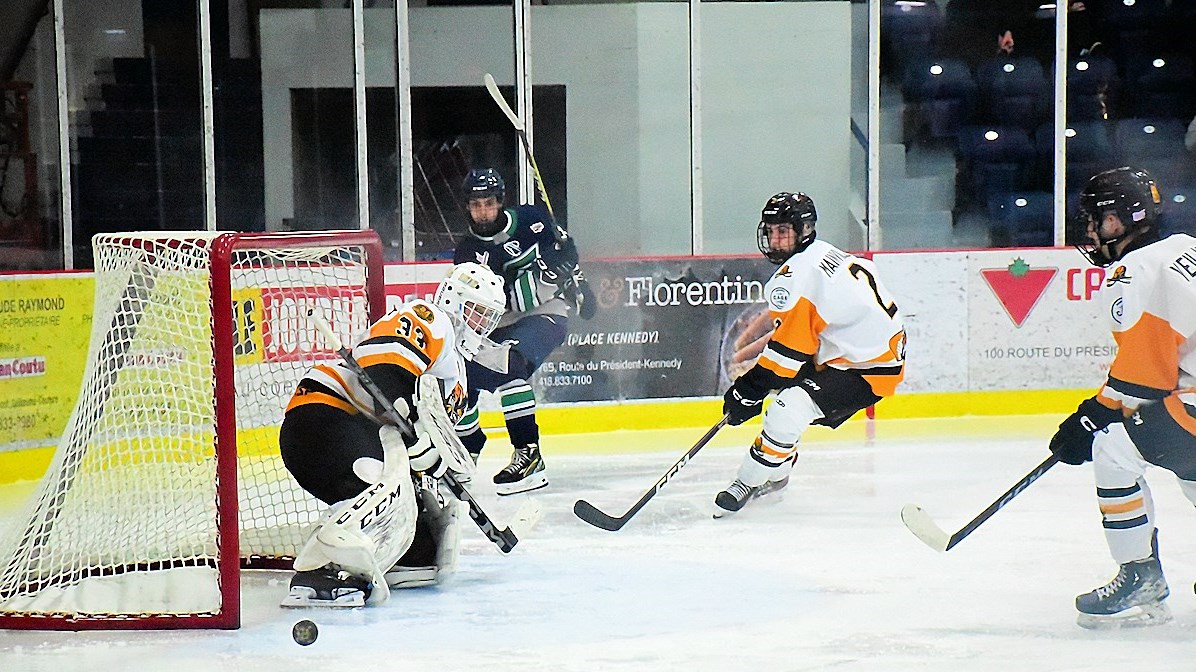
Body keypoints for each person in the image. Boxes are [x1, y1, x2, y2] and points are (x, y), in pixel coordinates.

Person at [278, 262, 506, 607]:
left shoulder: (457, 371)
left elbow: (432, 430)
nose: (479, 325)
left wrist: (434, 457)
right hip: (326, 419)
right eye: (475, 312)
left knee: (420, 553)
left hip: (358, 437)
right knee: (387, 481)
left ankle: (371, 557)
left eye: (487, 317)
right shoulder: (431, 317)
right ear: (453, 300)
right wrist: (413, 429)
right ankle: (323, 569)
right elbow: (382, 366)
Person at [1047, 166, 1196, 629]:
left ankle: (1140, 574)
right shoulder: (1187, 245)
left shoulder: (1134, 272)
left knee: (1113, 451)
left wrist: (1091, 418)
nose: (1090, 230)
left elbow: (1144, 379)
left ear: (1124, 220)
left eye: (1098, 219)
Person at [716, 192, 907, 515]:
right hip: (851, 352)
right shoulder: (821, 254)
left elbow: (785, 357)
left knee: (787, 409)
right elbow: (793, 348)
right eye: (771, 231)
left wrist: (746, 392)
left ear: (804, 230)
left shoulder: (797, 278)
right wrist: (753, 391)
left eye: (783, 232)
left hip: (868, 369)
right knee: (782, 397)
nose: (775, 241)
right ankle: (778, 472)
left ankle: (748, 481)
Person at [452, 167, 595, 495]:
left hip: (547, 314)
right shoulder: (467, 253)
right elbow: (505, 300)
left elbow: (565, 255)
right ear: (467, 207)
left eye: (489, 203)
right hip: (501, 320)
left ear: (500, 202)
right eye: (476, 204)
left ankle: (528, 454)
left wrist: (577, 281)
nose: (483, 211)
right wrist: (549, 276)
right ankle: (467, 446)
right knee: (461, 376)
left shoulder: (534, 218)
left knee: (511, 361)